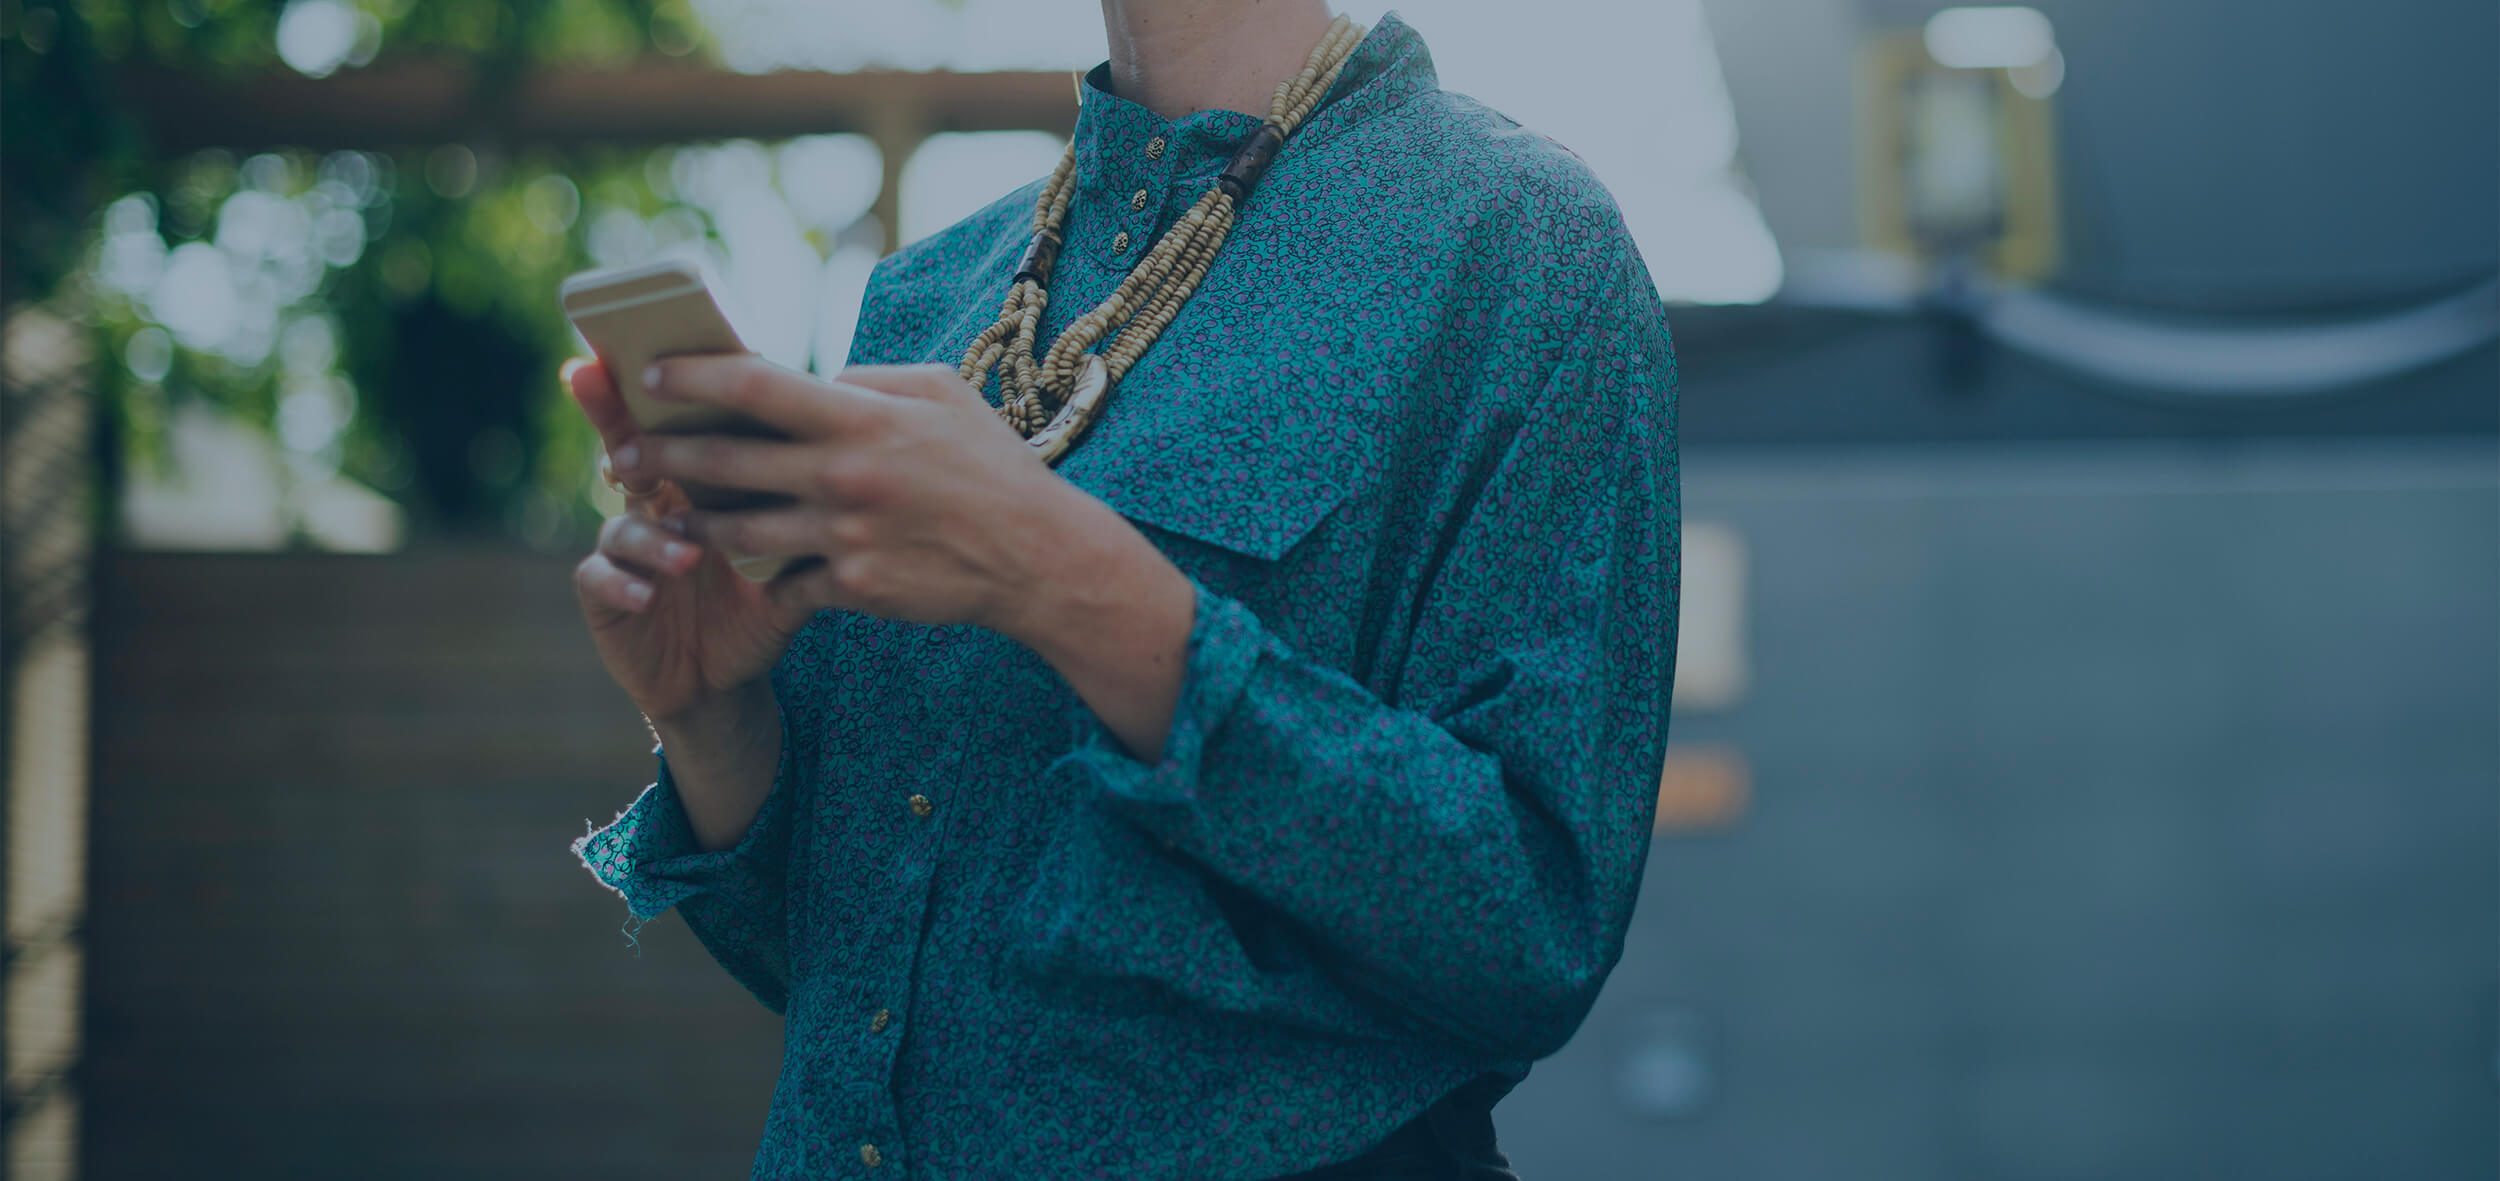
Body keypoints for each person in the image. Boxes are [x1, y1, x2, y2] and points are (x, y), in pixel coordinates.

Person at [565, 5, 1680, 1177]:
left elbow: (1530, 929)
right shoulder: (930, 297)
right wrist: (710, 716)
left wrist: (1066, 580)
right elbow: (839, 983)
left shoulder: (1520, 245)